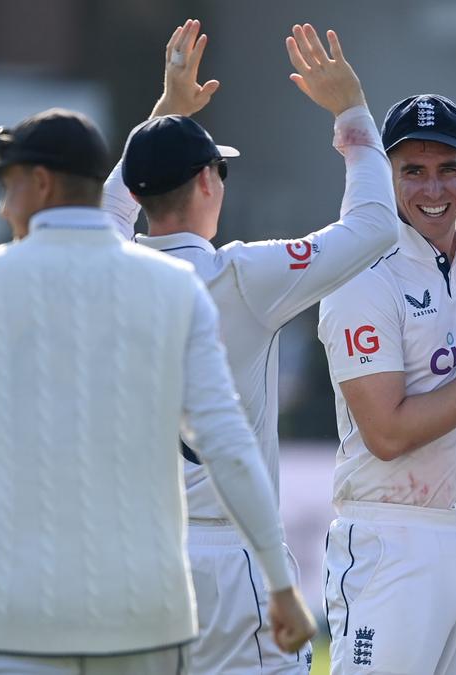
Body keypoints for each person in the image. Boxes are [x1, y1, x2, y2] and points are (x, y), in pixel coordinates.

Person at [0, 106, 316, 675]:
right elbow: (227, 445)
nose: (1, 204)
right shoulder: (172, 287)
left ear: (41, 183)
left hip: (15, 606)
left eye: (8, 184)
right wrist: (277, 577)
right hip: (141, 610)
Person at [100, 20, 397, 673]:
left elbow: (113, 208)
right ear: (209, 181)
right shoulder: (243, 275)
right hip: (233, 561)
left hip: (130, 561)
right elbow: (375, 227)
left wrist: (162, 118)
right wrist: (353, 114)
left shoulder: (100, 268)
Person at [315, 91, 456, 674]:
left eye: (447, 169)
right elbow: (386, 433)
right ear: (385, 175)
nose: (433, 190)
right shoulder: (360, 270)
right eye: (411, 171)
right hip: (391, 535)